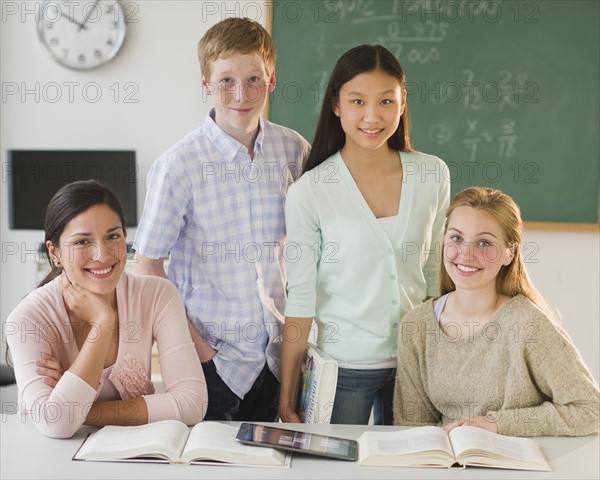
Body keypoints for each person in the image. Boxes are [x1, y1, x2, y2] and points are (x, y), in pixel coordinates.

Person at [133, 17, 310, 421]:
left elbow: (309, 247)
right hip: (213, 362)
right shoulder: (179, 165)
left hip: (279, 360)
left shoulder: (294, 151)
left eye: (254, 79)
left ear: (272, 80)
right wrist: (200, 351)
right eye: (226, 80)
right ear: (205, 84)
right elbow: (147, 266)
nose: (241, 94)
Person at [279, 44, 450, 425]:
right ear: (336, 105)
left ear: (403, 103)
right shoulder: (310, 191)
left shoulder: (432, 174)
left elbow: (436, 277)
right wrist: (286, 397)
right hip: (343, 372)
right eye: (357, 101)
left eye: (386, 101)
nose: (372, 116)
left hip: (416, 369)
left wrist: (445, 362)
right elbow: (301, 300)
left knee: (412, 467)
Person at [4, 180, 208, 439]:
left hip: (134, 451)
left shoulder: (158, 294)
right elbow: (56, 425)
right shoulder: (27, 318)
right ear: (54, 252)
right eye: (82, 242)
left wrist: (80, 410)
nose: (102, 254)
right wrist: (103, 323)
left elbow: (193, 404)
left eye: (113, 236)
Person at [394, 186, 600, 436]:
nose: (466, 254)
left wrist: (498, 424)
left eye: (484, 243)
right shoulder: (417, 325)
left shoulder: (527, 324)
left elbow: (590, 410)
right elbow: (412, 426)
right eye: (456, 238)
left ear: (509, 253)